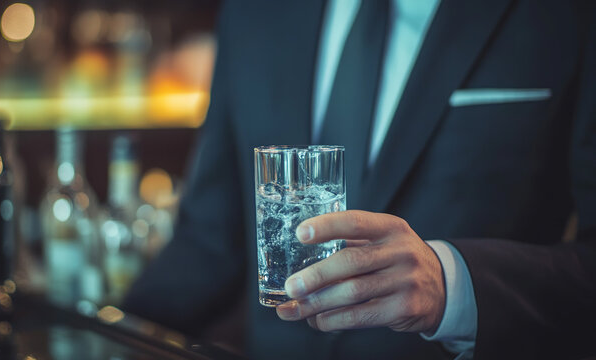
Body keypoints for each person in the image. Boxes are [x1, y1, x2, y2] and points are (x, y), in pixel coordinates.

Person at [123, 0, 596, 359]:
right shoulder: (254, 11)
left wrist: (451, 283)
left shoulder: (566, 14)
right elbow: (210, 240)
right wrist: (95, 332)